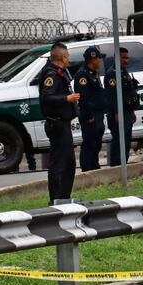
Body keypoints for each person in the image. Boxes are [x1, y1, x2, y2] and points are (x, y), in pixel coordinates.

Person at [38, 43, 80, 203]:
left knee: (69, 163)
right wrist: (66, 99)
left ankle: (65, 197)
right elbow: (46, 98)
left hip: (63, 123)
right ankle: (56, 199)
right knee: (59, 163)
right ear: (62, 57)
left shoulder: (59, 72)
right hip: (57, 124)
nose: (68, 59)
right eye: (67, 56)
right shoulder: (51, 74)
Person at [74, 46, 108, 172]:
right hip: (90, 115)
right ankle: (87, 169)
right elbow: (83, 98)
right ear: (92, 59)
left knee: (96, 142)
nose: (100, 61)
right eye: (99, 58)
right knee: (89, 142)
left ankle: (94, 166)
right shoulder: (82, 75)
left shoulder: (93, 73)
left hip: (97, 113)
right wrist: (89, 116)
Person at [106, 47, 139, 166]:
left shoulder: (124, 72)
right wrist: (117, 113)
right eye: (123, 58)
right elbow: (112, 96)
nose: (126, 60)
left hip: (127, 111)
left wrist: (132, 111)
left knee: (126, 140)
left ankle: (123, 165)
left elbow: (128, 93)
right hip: (118, 113)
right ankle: (116, 166)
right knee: (119, 140)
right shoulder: (112, 73)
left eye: (127, 58)